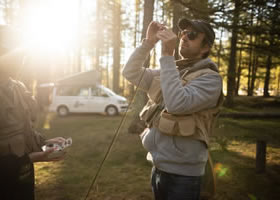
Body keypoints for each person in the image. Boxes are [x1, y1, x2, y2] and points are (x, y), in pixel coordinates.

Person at [122, 18, 223, 200]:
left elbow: (177, 105)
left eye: (192, 35)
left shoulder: (211, 79)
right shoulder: (171, 71)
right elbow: (130, 72)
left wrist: (167, 56)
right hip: (157, 167)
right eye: (183, 32)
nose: (184, 36)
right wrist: (149, 42)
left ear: (205, 48)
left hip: (185, 175)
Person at [0, 25, 66, 200]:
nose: (21, 60)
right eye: (14, 54)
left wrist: (45, 144)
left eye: (22, 55)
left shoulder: (18, 88)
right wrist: (28, 159)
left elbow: (24, 132)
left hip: (24, 184)